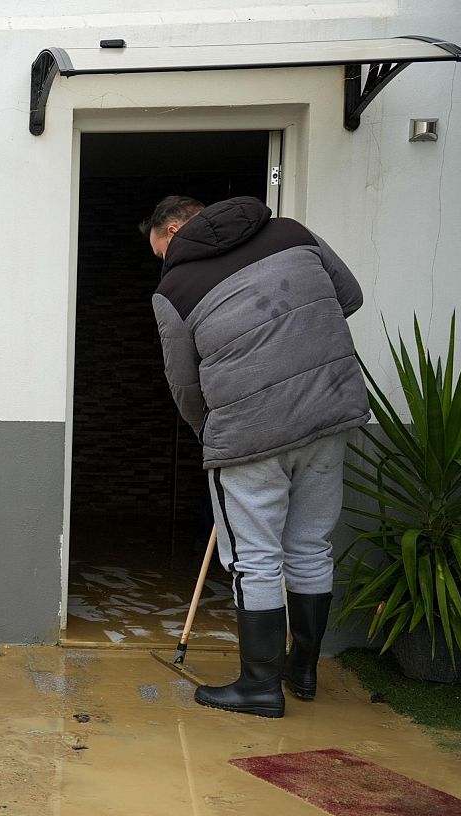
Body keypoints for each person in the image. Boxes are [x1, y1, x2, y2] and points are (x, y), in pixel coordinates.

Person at [143, 195, 369, 718]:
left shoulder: (174, 289)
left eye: (160, 252)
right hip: (328, 411)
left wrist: (210, 434)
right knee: (310, 545)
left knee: (256, 558)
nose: (165, 263)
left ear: (173, 231)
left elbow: (184, 383)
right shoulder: (292, 233)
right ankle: (303, 670)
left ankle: (260, 687)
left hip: (249, 433)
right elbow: (348, 297)